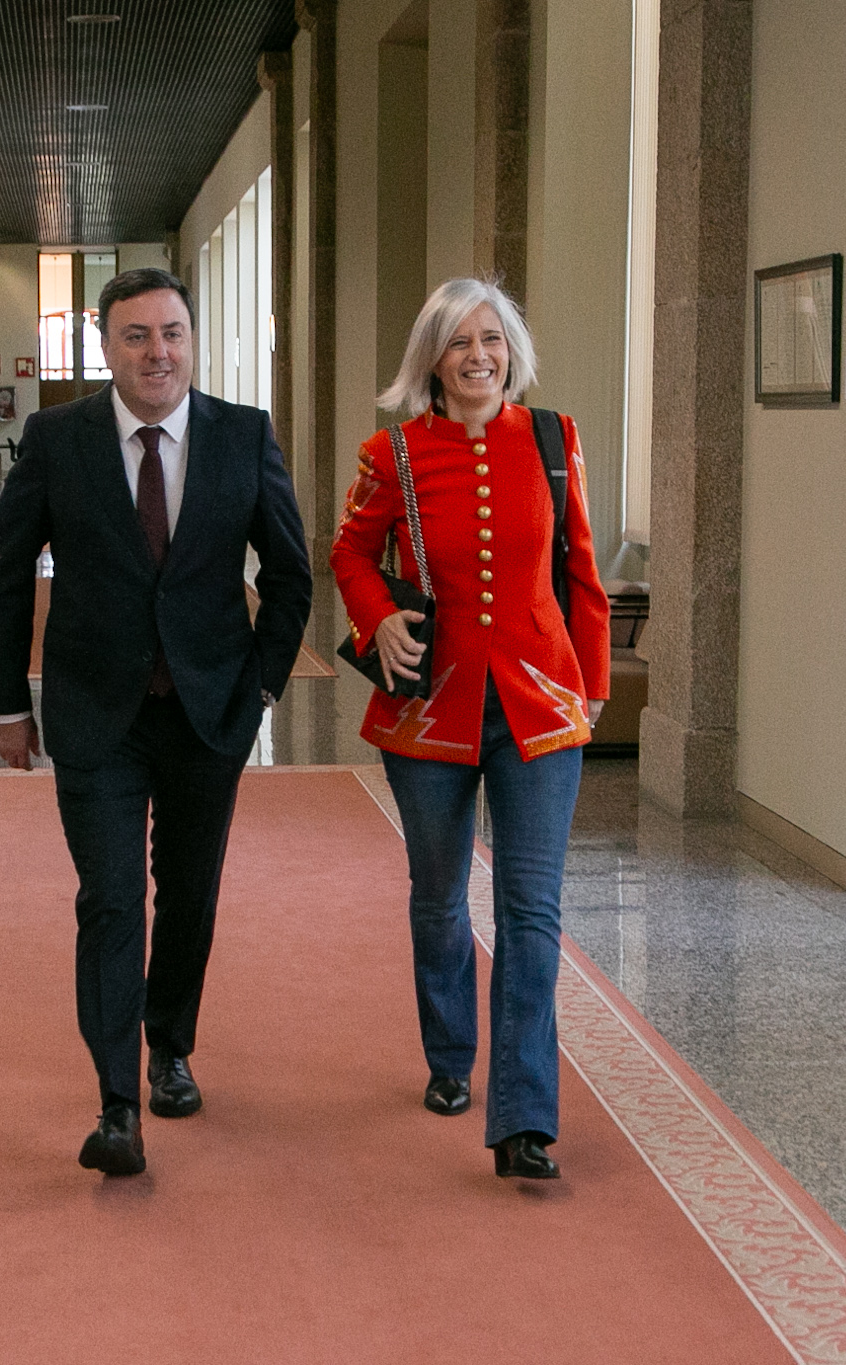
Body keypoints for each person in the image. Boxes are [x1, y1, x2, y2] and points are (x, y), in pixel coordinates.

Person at [0, 268, 313, 1177]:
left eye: (172, 333)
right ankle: (117, 1102)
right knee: (112, 897)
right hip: (98, 715)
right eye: (136, 335)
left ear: (191, 342)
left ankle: (169, 1045)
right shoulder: (58, 439)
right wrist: (5, 703)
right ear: (106, 348)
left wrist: (261, 690)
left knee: (190, 894)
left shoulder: (243, 435)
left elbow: (291, 575)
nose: (157, 352)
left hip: (209, 714)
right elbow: (6, 574)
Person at [330, 278, 609, 1180]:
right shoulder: (393, 454)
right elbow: (349, 551)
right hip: (431, 708)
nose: (478, 355)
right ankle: (451, 1053)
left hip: (539, 704)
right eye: (459, 341)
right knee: (440, 895)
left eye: (491, 338)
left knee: (532, 907)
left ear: (510, 351)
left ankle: (524, 1115)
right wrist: (378, 616)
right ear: (434, 360)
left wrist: (592, 684)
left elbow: (582, 570)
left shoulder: (554, 439)